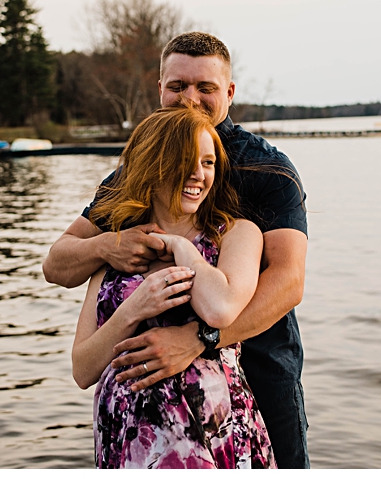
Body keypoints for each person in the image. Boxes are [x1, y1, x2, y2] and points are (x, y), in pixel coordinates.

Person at [45, 32, 309, 468]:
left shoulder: (266, 170)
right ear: (160, 88)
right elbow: (58, 263)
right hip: (137, 410)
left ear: (229, 93)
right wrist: (110, 245)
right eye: (178, 86)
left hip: (257, 372)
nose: (190, 98)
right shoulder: (134, 174)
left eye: (205, 88)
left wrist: (198, 340)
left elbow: (288, 282)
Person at [70, 104, 275, 468]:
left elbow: (220, 309)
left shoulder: (236, 235)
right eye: (186, 161)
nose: (198, 175)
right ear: (154, 164)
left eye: (208, 162)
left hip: (209, 432)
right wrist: (134, 309)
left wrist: (182, 248)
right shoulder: (118, 250)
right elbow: (83, 370)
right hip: (129, 440)